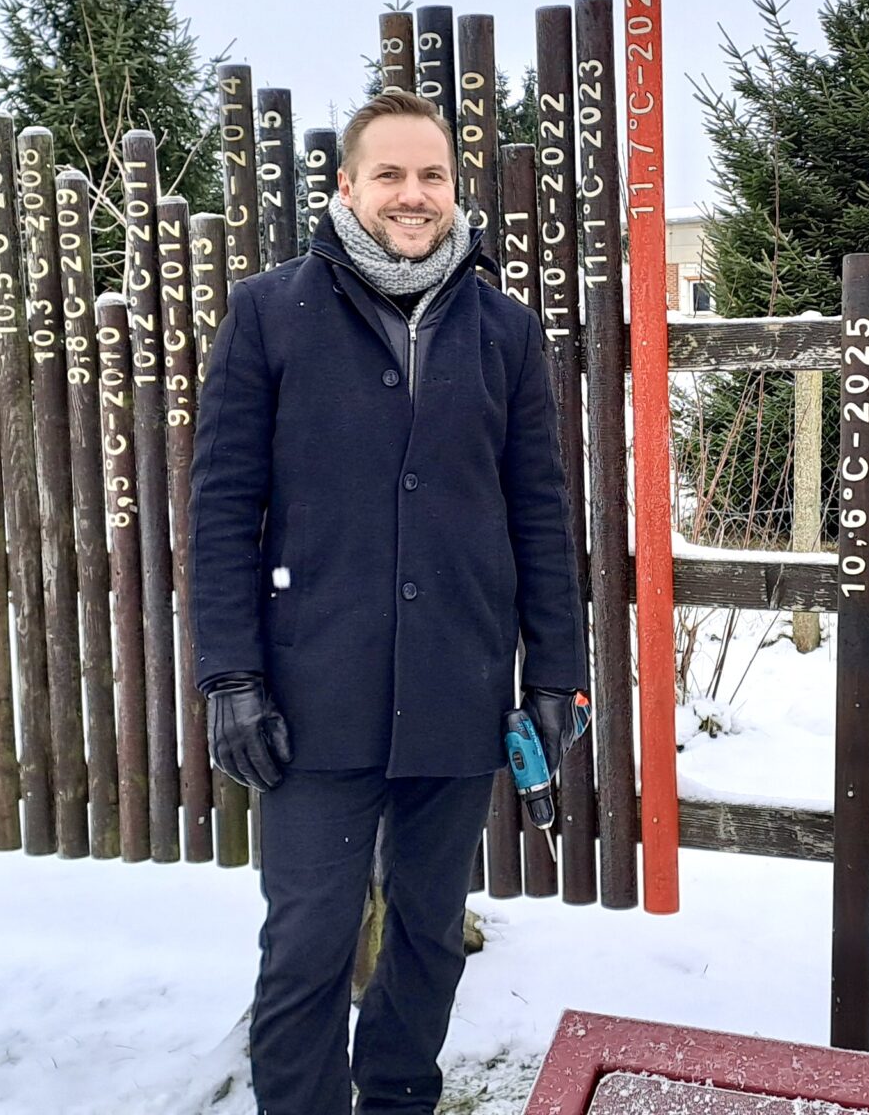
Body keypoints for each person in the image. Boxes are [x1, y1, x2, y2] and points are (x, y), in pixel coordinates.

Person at [187, 88, 589, 1115]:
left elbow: (539, 510)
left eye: (432, 176)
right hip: (312, 692)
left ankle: (400, 1101)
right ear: (346, 187)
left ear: (455, 190)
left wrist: (557, 675)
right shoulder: (270, 313)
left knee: (426, 933)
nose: (413, 195)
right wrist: (230, 675)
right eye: (391, 175)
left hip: (456, 682)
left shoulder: (503, 329)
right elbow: (223, 505)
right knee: (308, 939)